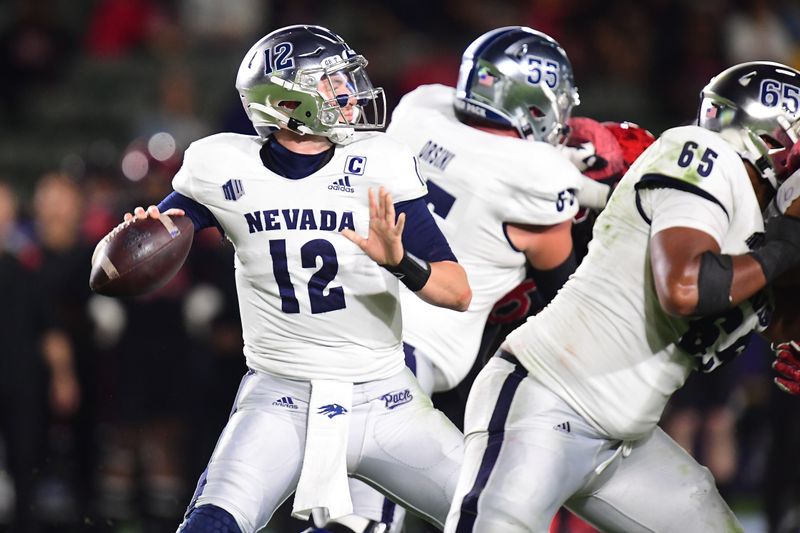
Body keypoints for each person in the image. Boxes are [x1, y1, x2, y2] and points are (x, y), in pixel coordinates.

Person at [93, 24, 471, 533]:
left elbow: (457, 290)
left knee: (499, 515)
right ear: (288, 101)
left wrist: (400, 260)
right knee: (210, 524)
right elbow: (117, 264)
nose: (350, 92)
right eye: (332, 81)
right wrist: (130, 241)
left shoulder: (379, 163)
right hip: (279, 396)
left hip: (387, 399)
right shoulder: (222, 164)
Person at [444, 60, 800, 533]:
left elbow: (773, 316)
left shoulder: (760, 225)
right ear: (770, 132)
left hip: (626, 439)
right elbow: (686, 287)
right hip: (547, 401)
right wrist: (789, 242)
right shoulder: (700, 152)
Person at [325, 26, 609, 533]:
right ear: (533, 103)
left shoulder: (419, 111)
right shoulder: (541, 180)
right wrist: (607, 186)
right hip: (404, 361)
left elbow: (476, 161)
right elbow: (567, 297)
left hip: (332, 327)